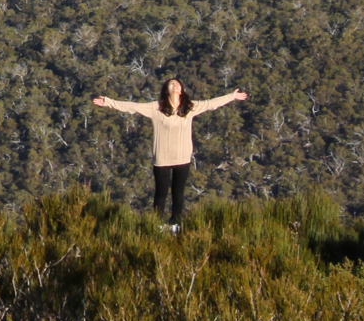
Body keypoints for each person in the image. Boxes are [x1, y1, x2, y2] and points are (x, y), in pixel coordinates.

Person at [90, 78, 247, 232]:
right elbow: (132, 106)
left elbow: (211, 104)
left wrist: (232, 96)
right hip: (162, 159)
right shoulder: (156, 108)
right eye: (172, 84)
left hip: (183, 158)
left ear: (182, 89)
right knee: (161, 193)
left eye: (178, 84)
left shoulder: (190, 107)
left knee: (178, 193)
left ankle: (176, 222)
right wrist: (109, 102)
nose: (176, 86)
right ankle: (157, 223)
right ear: (166, 89)